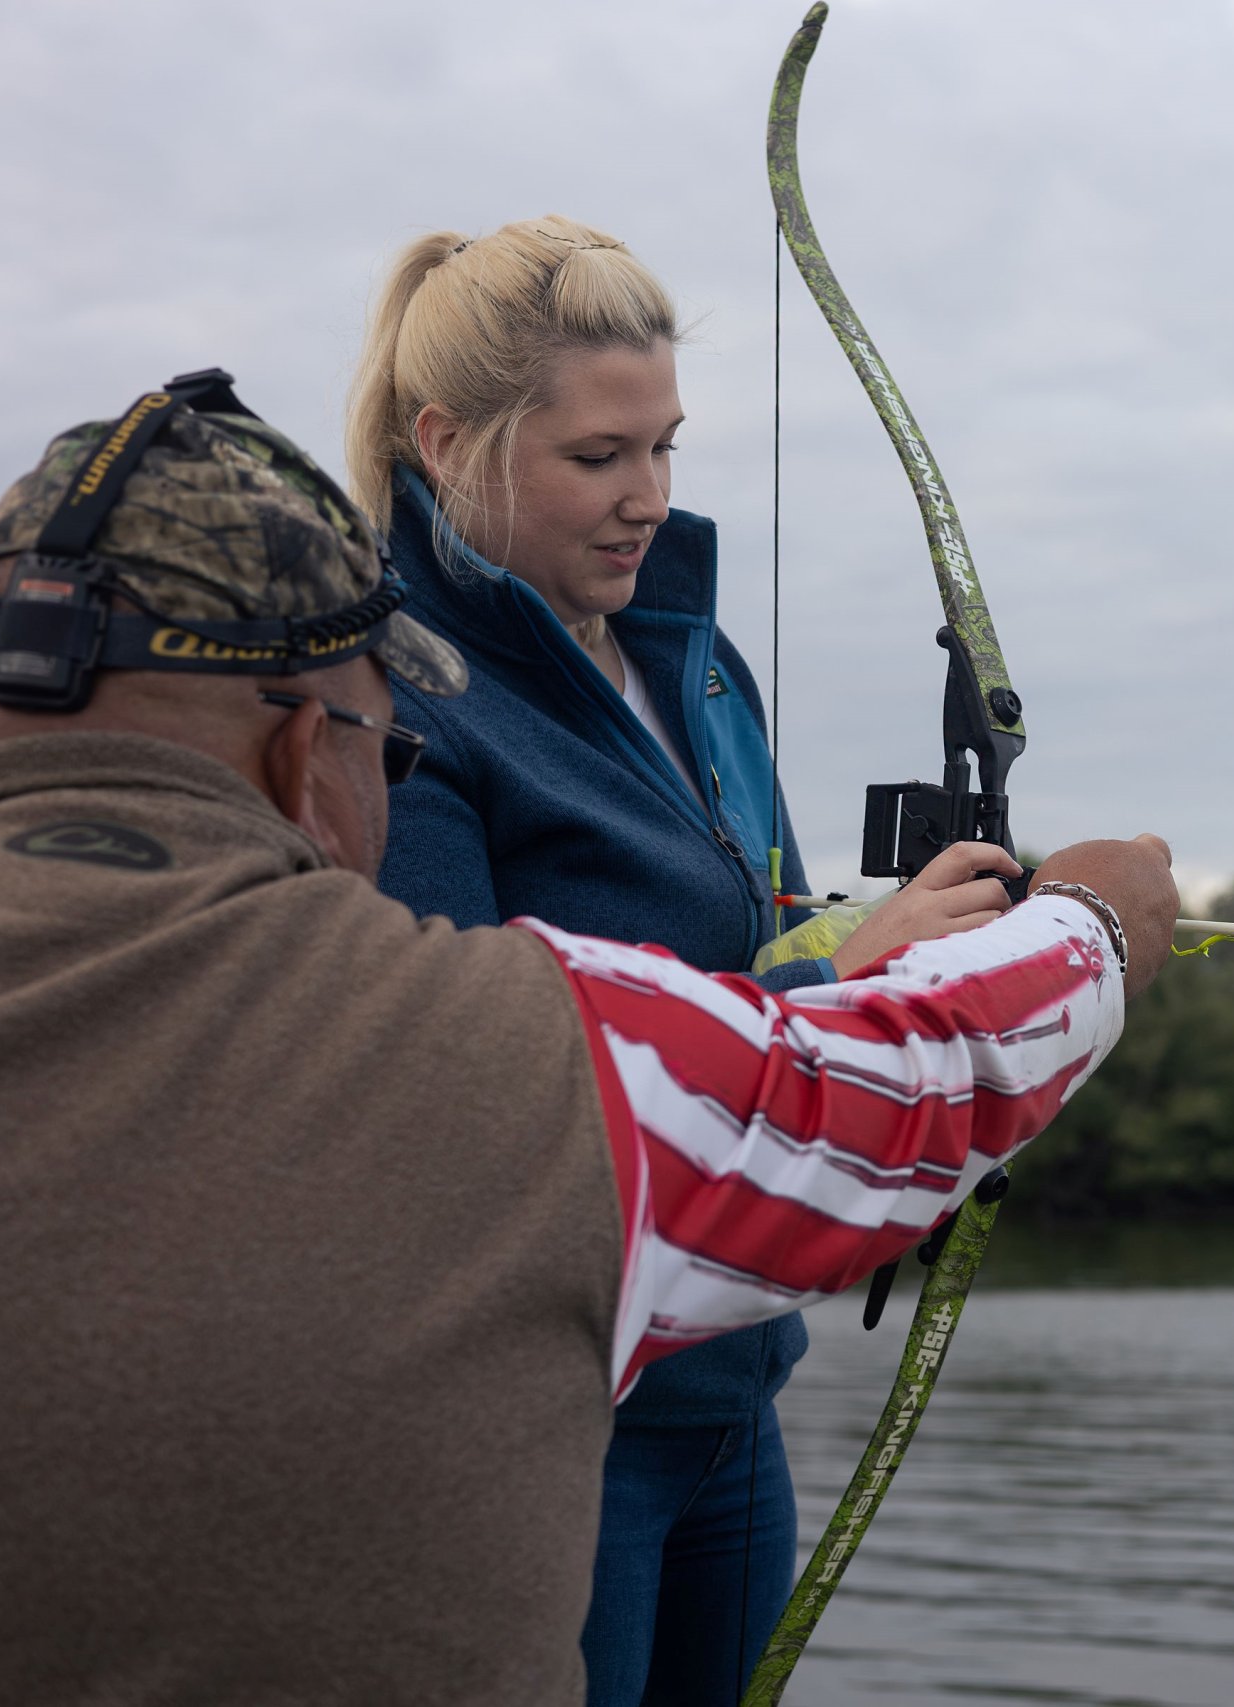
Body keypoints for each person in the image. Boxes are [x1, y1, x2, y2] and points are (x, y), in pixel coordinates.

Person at [0, 378, 1177, 1706]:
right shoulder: (533, 1070)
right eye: (392, 744)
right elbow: (916, 1080)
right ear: (307, 751)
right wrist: (1092, 918)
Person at [342, 214, 987, 1704]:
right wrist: (837, 991)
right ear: (447, 441)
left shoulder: (689, 659)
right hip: (548, 1438)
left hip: (729, 1399)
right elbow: (482, 1094)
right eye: (597, 458)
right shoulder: (389, 697)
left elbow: (764, 930)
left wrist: (928, 949)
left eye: (668, 448)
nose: (649, 498)